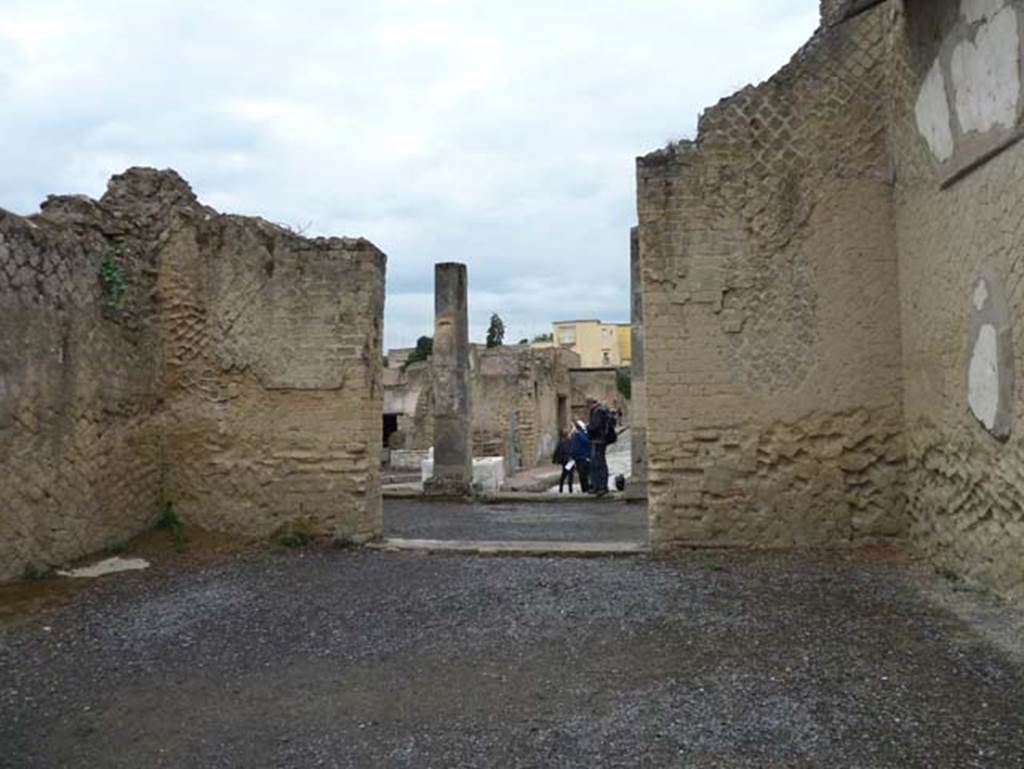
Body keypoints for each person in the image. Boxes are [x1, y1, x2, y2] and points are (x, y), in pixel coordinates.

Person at [586, 397, 612, 496]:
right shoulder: (600, 410)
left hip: (598, 440)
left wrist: (588, 427)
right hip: (600, 440)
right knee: (597, 463)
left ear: (590, 404)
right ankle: (598, 486)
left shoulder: (597, 411)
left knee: (598, 463)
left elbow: (596, 426)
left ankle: (601, 487)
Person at [569, 420, 592, 493]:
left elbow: (586, 442)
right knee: (583, 474)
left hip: (583, 457)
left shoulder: (579, 434)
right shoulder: (576, 434)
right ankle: (585, 488)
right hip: (579, 457)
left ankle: (587, 488)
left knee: (584, 474)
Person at [551, 428, 575, 494]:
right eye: (569, 434)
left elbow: (557, 451)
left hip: (565, 461)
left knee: (564, 474)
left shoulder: (561, 442)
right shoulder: (569, 441)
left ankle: (561, 488)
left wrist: (555, 459)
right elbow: (571, 450)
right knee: (570, 475)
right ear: (567, 435)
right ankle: (570, 489)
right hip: (569, 460)